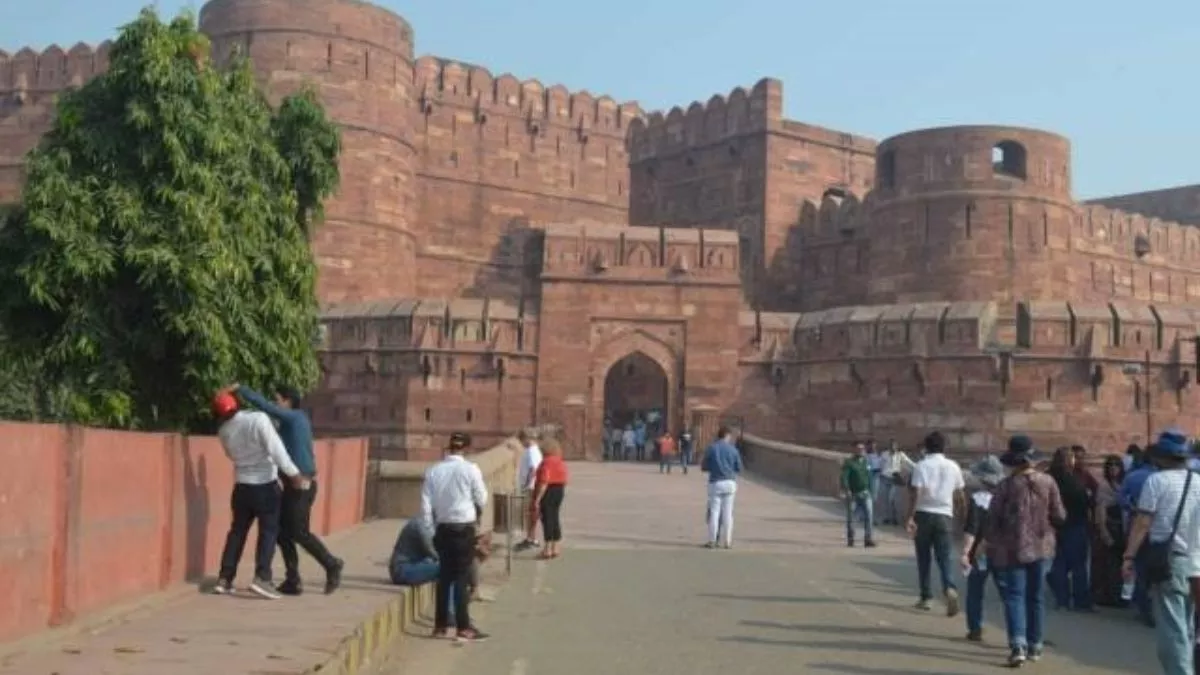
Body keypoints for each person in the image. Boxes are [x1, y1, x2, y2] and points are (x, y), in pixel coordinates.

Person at [227, 383, 344, 596]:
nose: (275, 404)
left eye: (277, 399)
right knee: (281, 533)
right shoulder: (287, 425)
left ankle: (332, 563)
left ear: (287, 401)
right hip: (291, 485)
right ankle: (293, 580)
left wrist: (242, 390)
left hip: (302, 485)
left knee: (299, 531)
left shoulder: (296, 417)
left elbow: (266, 408)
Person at [209, 391, 307, 600]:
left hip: (241, 487)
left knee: (237, 532)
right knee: (268, 532)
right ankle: (262, 578)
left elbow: (230, 455)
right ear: (237, 404)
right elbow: (276, 449)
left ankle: (225, 578)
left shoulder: (223, 431)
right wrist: (293, 474)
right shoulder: (258, 419)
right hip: (265, 486)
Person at [1123, 429, 1200, 675]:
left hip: (1170, 559)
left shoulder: (1156, 481)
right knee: (1187, 625)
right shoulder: (1198, 481)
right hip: (1197, 559)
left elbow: (1143, 523)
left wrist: (1129, 556)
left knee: (1171, 626)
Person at [987, 434, 1065, 667]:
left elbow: (992, 521)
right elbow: (1060, 515)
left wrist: (992, 542)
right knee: (1036, 596)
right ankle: (1035, 645)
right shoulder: (1048, 482)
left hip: (1013, 548)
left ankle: (1018, 644)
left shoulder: (1005, 486)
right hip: (1042, 546)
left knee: (1015, 596)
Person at [420, 431, 489, 642]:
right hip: (463, 528)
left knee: (444, 577)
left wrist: (431, 530)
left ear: (449, 447)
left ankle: (440, 626)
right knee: (461, 577)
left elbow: (425, 505)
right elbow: (482, 498)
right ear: (466, 448)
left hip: (442, 528)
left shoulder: (433, 471)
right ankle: (463, 626)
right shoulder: (470, 469)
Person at [906, 431, 964, 616]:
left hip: (924, 514)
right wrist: (961, 517)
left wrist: (910, 517)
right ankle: (949, 587)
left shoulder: (921, 466)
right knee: (944, 557)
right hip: (944, 515)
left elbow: (917, 493)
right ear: (944, 447)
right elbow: (960, 495)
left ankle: (926, 597)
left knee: (924, 558)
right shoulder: (953, 466)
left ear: (926, 447)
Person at [962, 455, 1006, 642]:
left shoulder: (978, 499)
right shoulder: (1007, 498)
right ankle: (1018, 631)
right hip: (1003, 551)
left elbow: (972, 527)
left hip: (980, 551)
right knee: (1008, 593)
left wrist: (965, 551)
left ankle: (975, 628)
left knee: (975, 591)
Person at [1047, 447, 1093, 611]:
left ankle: (1062, 600)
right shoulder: (1072, 479)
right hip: (1074, 523)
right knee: (1078, 565)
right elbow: (1083, 499)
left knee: (1059, 563)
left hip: (1055, 525)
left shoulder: (1049, 477)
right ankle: (1081, 601)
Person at [1092, 455, 1127, 607]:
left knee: (1118, 563)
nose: (1113, 468)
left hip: (1122, 527)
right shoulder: (1104, 486)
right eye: (1110, 465)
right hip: (1110, 526)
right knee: (1109, 564)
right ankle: (1109, 595)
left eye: (1116, 465)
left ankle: (1118, 594)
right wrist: (1104, 531)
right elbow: (1100, 510)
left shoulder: (1122, 484)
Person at [702, 426, 743, 549]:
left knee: (714, 512)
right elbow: (739, 468)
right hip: (730, 481)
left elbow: (704, 466)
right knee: (728, 513)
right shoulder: (733, 450)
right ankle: (727, 541)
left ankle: (712, 540)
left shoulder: (712, 448)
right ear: (727, 435)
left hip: (716, 482)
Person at [533, 440, 569, 559]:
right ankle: (556, 547)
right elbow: (565, 478)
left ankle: (547, 549)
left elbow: (544, 482)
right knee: (555, 517)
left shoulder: (546, 463)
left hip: (548, 491)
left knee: (547, 519)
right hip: (559, 490)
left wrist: (537, 499)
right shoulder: (560, 462)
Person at [840, 442, 875, 548]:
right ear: (854, 450)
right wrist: (847, 490)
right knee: (852, 517)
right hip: (854, 494)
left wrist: (871, 490)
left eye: (862, 449)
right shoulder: (849, 462)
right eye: (858, 449)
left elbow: (870, 477)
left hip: (866, 493)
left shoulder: (866, 462)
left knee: (869, 516)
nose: (861, 451)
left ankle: (868, 539)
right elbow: (844, 477)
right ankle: (851, 538)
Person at [515, 429, 543, 551]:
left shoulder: (532, 451)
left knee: (531, 513)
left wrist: (526, 483)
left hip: (531, 487)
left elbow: (533, 469)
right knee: (529, 514)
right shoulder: (530, 450)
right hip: (530, 486)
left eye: (522, 440)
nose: (521, 443)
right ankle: (530, 538)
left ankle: (532, 539)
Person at [879, 441, 913, 525]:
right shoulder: (884, 454)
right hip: (885, 478)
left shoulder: (900, 455)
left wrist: (919, 467)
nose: (893, 448)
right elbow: (880, 464)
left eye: (894, 446)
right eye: (891, 446)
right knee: (885, 499)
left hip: (894, 479)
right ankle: (887, 518)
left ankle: (894, 518)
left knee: (892, 499)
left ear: (897, 447)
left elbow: (910, 463)